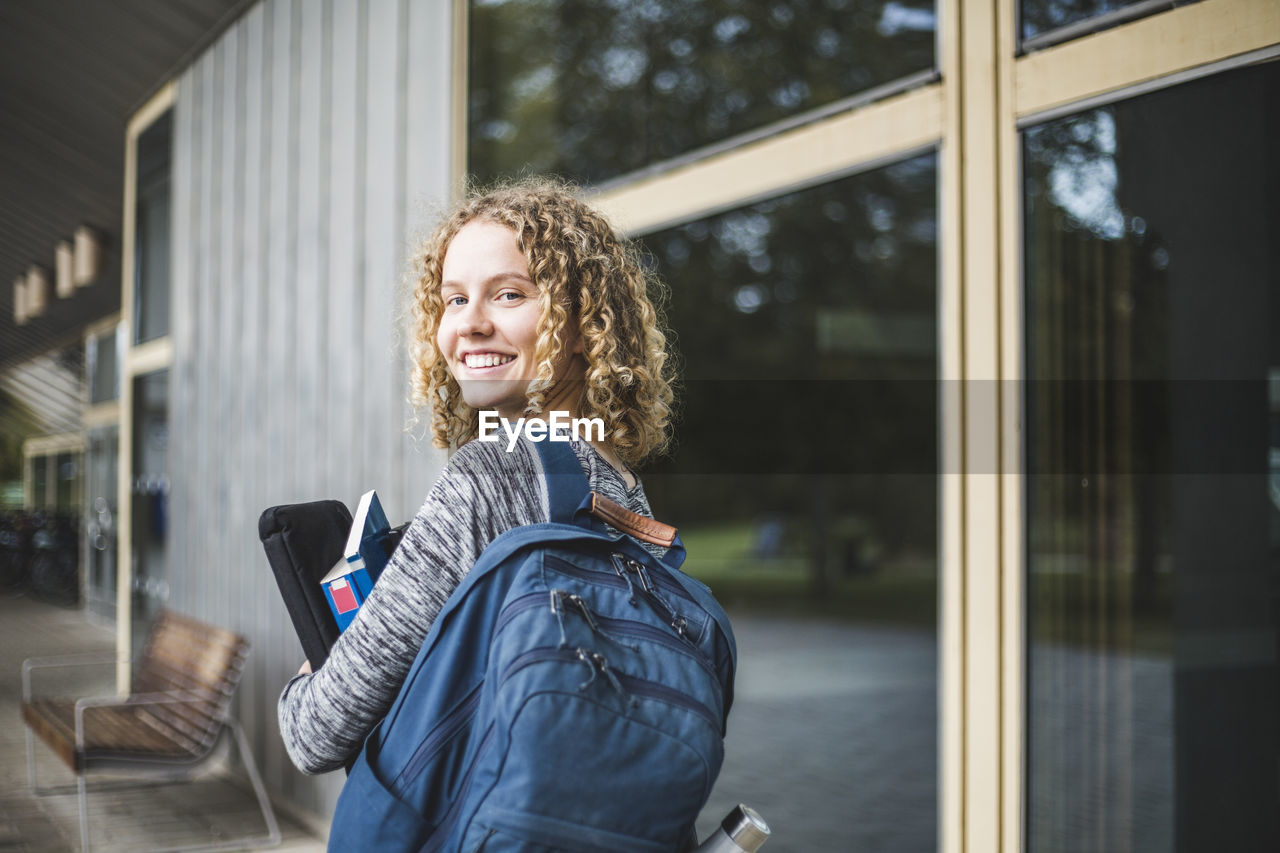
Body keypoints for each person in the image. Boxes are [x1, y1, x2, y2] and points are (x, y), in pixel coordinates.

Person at [278, 179, 676, 774]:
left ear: (582, 323)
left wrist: (312, 671)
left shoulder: (488, 475)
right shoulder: (616, 485)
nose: (469, 324)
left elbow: (318, 734)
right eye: (454, 299)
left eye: (509, 295)